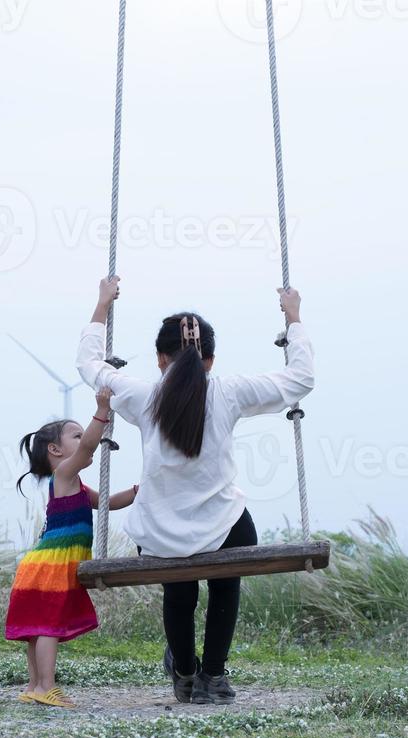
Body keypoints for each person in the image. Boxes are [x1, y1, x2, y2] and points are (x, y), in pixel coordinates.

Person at [76, 276, 315, 705]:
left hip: (160, 535)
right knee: (227, 578)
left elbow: (89, 365)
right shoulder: (229, 392)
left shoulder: (140, 395)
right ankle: (214, 676)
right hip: (222, 527)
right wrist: (293, 318)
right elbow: (300, 379)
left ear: (160, 358)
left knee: (178, 587)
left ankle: (185, 674)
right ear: (210, 359)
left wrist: (101, 306)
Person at [4, 388, 138, 708]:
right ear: (56, 450)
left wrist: (137, 491)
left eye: (82, 435)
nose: (84, 440)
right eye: (76, 436)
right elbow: (91, 446)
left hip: (41, 564)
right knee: (48, 627)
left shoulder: (77, 485)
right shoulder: (63, 474)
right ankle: (47, 686)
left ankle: (35, 685)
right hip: (51, 564)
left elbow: (111, 503)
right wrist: (102, 411)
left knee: (38, 629)